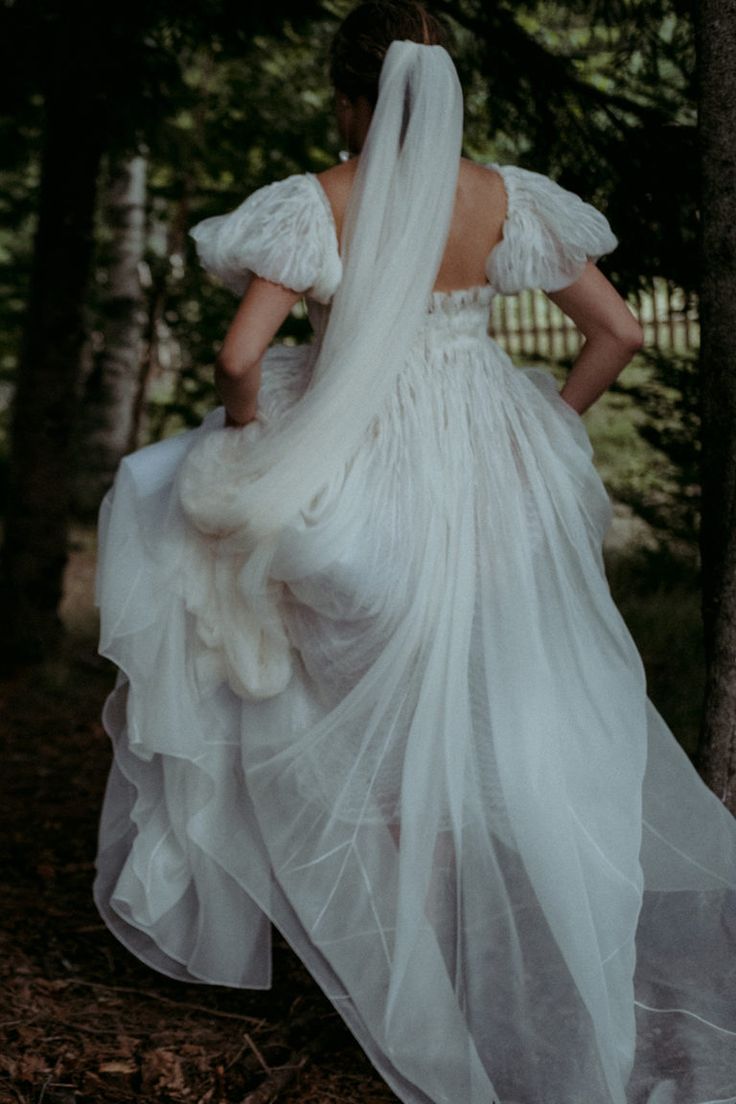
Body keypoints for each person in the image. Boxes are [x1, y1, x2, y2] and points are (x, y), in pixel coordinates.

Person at [93, 3, 736, 1102]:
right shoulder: (505, 198)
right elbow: (618, 332)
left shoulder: (321, 204)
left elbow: (240, 354)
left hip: (364, 470)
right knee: (476, 712)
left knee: (313, 675)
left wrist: (255, 440)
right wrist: (551, 426)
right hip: (490, 477)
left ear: (351, 97)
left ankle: (401, 976)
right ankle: (476, 955)